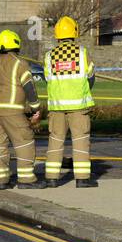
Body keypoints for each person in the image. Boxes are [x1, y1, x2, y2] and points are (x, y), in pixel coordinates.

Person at [43, 16, 97, 188]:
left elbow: (47, 79)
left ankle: (51, 178)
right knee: (80, 140)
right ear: (75, 32)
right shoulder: (81, 53)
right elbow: (91, 76)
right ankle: (82, 179)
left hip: (57, 107)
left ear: (57, 34)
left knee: (55, 140)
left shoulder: (49, 56)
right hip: (78, 107)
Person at [0, 29, 43, 189]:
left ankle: (2, 180)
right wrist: (35, 107)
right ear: (16, 44)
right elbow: (29, 87)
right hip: (13, 111)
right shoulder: (20, 63)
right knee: (24, 142)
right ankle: (26, 179)